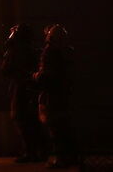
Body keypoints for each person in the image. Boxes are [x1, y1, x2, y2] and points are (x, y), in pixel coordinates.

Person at [33, 24, 76, 169]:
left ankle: (60, 158)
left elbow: (46, 75)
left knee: (55, 128)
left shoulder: (49, 52)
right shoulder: (68, 51)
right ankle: (70, 157)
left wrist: (36, 76)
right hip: (65, 94)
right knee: (64, 127)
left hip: (51, 95)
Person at [1, 24, 43, 163]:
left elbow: (5, 70)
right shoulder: (30, 49)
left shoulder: (15, 50)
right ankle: (36, 151)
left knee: (20, 118)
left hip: (20, 88)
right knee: (30, 121)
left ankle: (29, 152)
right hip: (29, 88)